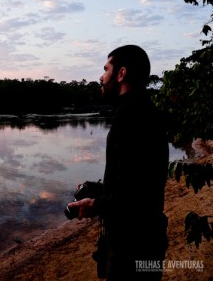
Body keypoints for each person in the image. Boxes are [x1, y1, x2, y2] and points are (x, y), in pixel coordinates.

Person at [67, 45, 169, 280]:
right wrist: (101, 191)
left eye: (106, 70)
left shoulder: (130, 117)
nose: (101, 77)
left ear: (121, 74)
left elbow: (131, 194)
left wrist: (94, 204)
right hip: (148, 237)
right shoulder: (145, 110)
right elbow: (141, 182)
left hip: (132, 246)